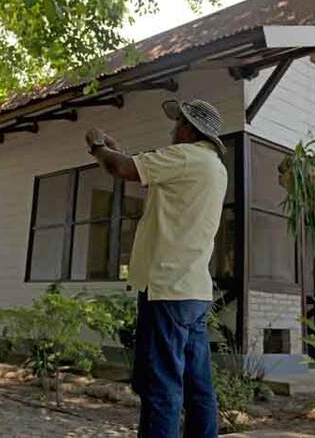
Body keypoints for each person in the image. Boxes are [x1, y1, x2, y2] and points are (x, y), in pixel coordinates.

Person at [85, 98, 227, 438]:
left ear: (190, 129)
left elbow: (121, 169)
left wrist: (97, 145)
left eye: (178, 123)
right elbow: (137, 166)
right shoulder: (213, 167)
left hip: (166, 290)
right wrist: (116, 151)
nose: (172, 128)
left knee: (160, 387)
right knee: (198, 389)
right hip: (193, 291)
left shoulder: (183, 157)